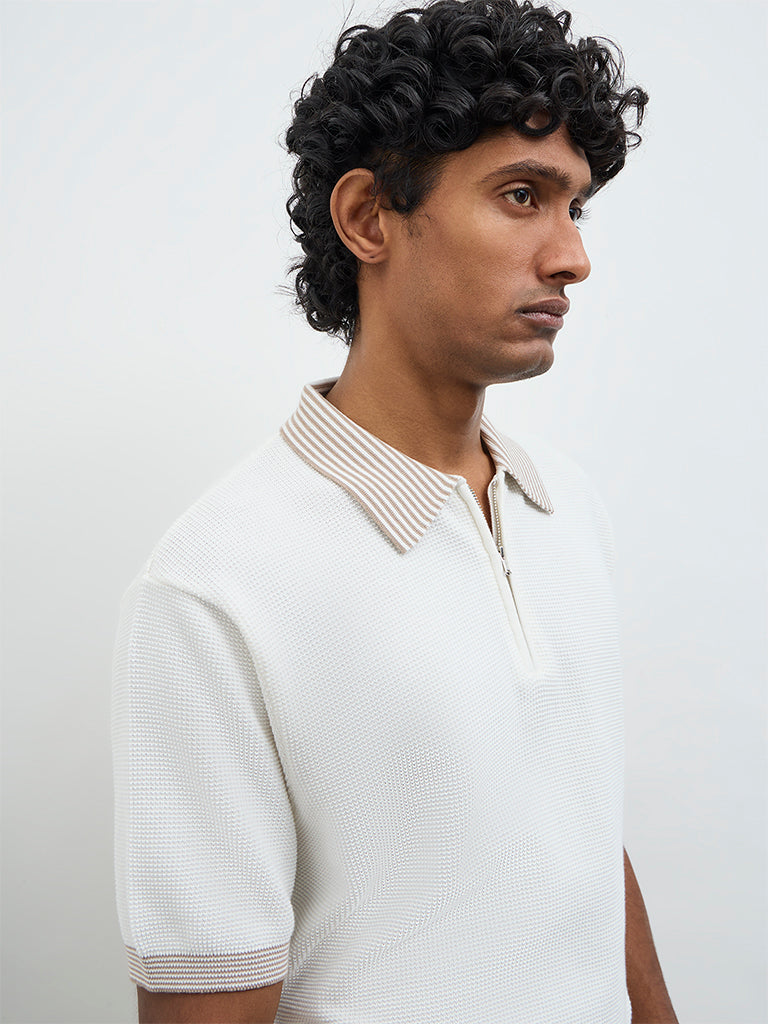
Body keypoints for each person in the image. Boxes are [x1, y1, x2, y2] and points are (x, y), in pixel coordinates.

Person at [111, 1, 679, 1021]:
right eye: (521, 195)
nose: (571, 257)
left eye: (576, 209)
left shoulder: (565, 507)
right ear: (370, 218)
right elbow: (209, 996)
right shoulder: (215, 585)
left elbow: (580, 839)